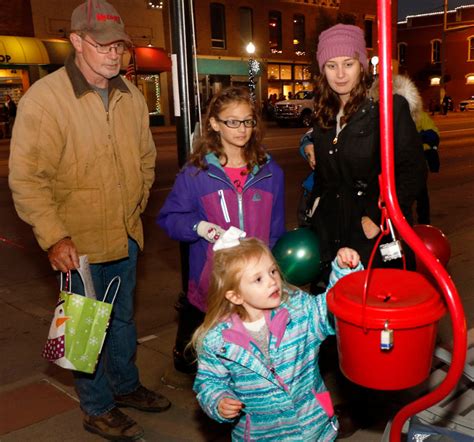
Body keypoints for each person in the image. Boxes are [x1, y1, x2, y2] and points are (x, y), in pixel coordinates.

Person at [8, 1, 170, 440]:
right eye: (103, 45)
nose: (114, 53)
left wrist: (133, 210)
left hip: (124, 235)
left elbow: (145, 159)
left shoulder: (130, 95)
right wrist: (54, 236)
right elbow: (26, 179)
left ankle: (126, 386)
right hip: (75, 245)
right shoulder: (46, 99)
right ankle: (97, 408)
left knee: (122, 321)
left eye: (119, 44)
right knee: (84, 330)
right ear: (77, 42)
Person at [158, 86, 285, 379]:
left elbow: (276, 232)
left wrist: (272, 275)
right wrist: (199, 227)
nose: (242, 130)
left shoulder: (270, 172)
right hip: (213, 288)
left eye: (248, 121)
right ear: (214, 124)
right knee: (216, 369)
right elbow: (169, 219)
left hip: (255, 289)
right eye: (232, 121)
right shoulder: (196, 173)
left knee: (254, 367)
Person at [192, 234, 362, 441]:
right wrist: (219, 401)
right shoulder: (218, 343)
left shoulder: (298, 311)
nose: (273, 281)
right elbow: (209, 381)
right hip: (261, 435)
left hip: (314, 426)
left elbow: (330, 308)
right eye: (258, 279)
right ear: (235, 295)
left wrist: (344, 272)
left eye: (272, 270)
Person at [308, 23, 426, 273]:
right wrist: (315, 207)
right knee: (339, 306)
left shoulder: (386, 108)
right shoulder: (324, 115)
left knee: (377, 306)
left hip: (373, 235)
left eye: (348, 64)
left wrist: (377, 218)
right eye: (331, 65)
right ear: (322, 70)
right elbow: (325, 175)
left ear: (361, 65)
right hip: (332, 233)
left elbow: (412, 170)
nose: (340, 74)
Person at [415, 110, 440, 225]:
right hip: (398, 161)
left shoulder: (419, 115)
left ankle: (424, 224)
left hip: (416, 160)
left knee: (421, 196)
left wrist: (419, 138)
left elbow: (433, 135)